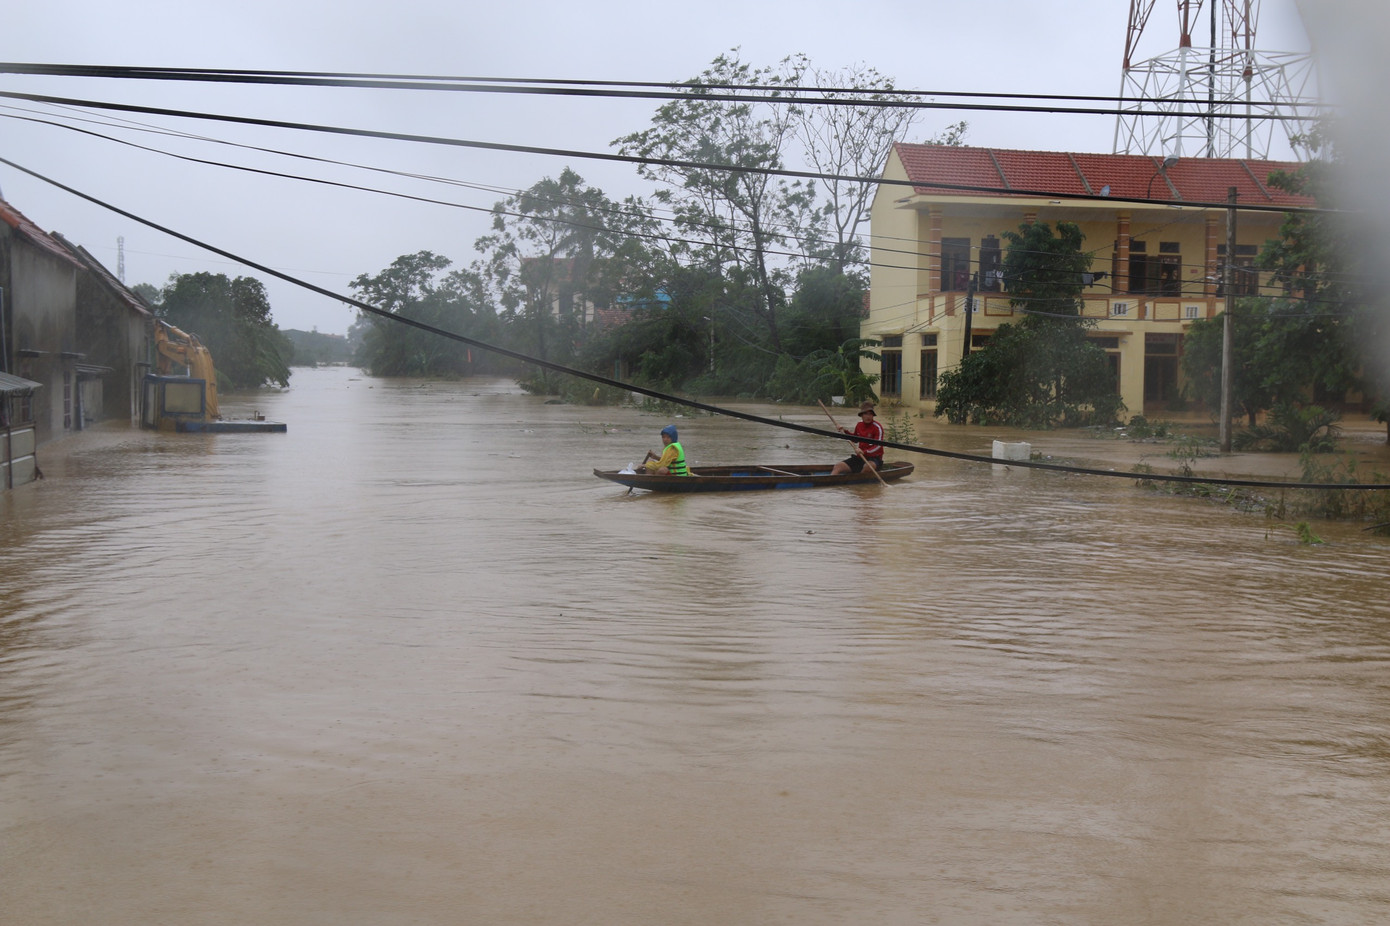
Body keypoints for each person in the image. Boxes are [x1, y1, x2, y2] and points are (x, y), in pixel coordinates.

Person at [830, 401, 884, 475]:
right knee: (838, 466)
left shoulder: (877, 427)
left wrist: (864, 452)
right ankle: (831, 483)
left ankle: (858, 483)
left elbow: (878, 445)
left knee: (867, 467)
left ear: (873, 415)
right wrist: (844, 431)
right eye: (865, 413)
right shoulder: (859, 425)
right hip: (860, 457)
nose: (868, 416)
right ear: (861, 415)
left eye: (870, 414)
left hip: (874, 459)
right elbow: (854, 439)